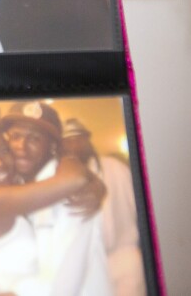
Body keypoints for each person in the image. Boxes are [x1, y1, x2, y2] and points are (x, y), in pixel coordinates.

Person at [0, 102, 113, 296]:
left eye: (35, 138)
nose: (21, 146)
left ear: (53, 147)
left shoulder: (73, 196)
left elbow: (61, 289)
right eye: (15, 136)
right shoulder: (18, 188)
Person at [62, 119, 146, 296]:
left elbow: (140, 209)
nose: (74, 145)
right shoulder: (60, 176)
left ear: (87, 140)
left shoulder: (114, 167)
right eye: (68, 140)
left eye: (78, 139)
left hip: (123, 258)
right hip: (86, 267)